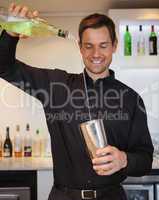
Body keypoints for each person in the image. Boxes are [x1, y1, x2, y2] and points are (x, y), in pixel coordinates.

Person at [0, 3, 154, 200]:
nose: (96, 54)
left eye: (103, 46)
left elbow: (145, 159)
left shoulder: (132, 99)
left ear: (114, 46)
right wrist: (11, 33)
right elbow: (3, 67)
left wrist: (124, 159)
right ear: (80, 47)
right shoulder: (55, 86)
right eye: (88, 46)